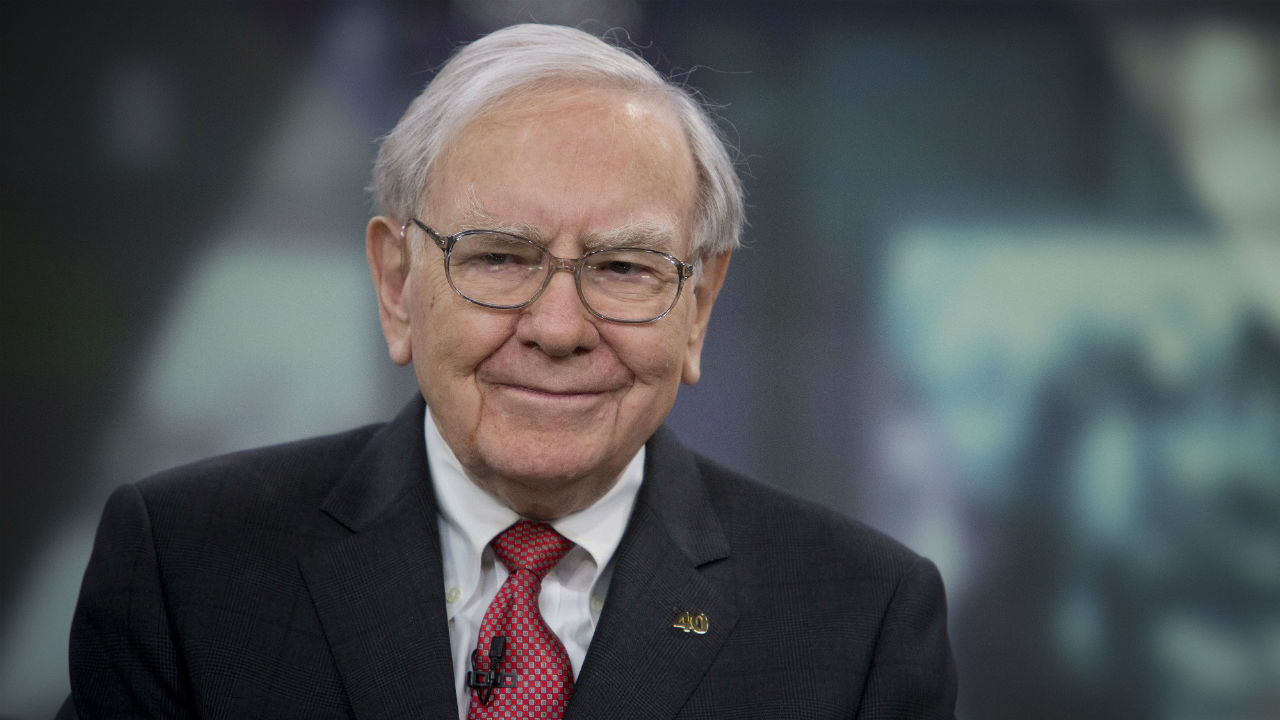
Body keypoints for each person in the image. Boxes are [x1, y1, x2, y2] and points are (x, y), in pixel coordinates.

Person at [59, 23, 957, 719]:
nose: (558, 329)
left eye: (624, 267)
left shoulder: (861, 618)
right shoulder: (186, 567)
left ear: (700, 305)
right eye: (497, 257)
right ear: (396, 283)